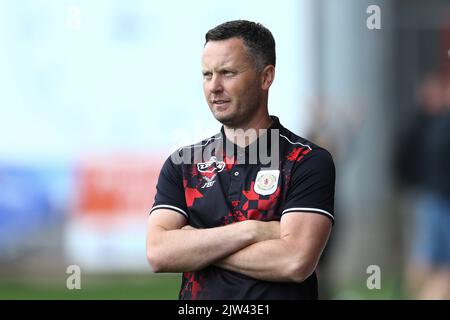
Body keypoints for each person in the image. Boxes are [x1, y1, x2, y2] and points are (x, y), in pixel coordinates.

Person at [146, 20, 335, 300]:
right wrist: (253, 231)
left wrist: (195, 246)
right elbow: (159, 253)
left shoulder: (306, 161)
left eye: (227, 73)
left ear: (265, 77)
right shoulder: (182, 164)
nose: (214, 87)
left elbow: (294, 261)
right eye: (207, 75)